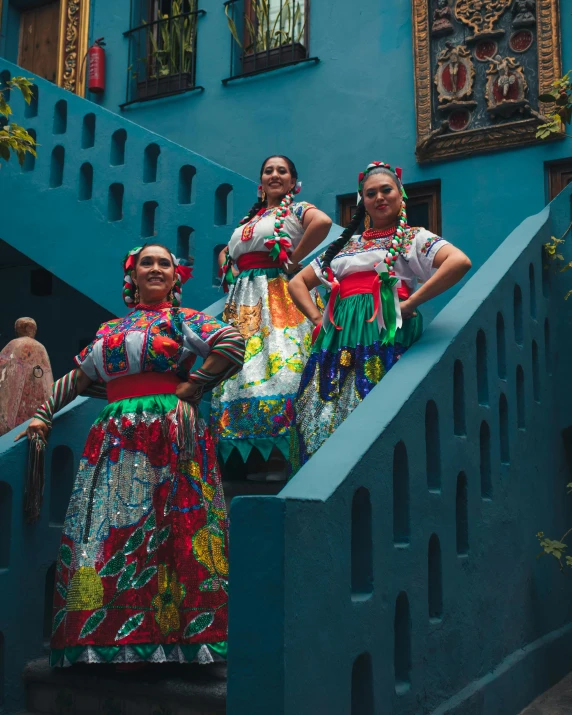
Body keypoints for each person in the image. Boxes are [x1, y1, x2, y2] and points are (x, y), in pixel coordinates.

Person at [16, 243, 245, 667]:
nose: (156, 269)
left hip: (170, 433)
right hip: (115, 438)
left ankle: (180, 644)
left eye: (165, 264)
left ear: (176, 279)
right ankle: (109, 641)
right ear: (132, 276)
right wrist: (44, 414)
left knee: (174, 531)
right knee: (106, 530)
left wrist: (192, 386)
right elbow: (83, 377)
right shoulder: (110, 330)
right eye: (147, 263)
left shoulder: (184, 320)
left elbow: (231, 342)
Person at [288, 161, 471, 470]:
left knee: (373, 398)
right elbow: (297, 282)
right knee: (323, 404)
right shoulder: (346, 245)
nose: (379, 197)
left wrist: (410, 303)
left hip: (382, 330)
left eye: (386, 190)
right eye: (370, 193)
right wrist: (319, 321)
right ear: (363, 202)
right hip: (339, 334)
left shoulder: (414, 237)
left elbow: (459, 261)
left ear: (401, 195)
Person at [211, 155, 331, 480]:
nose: (275, 175)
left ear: (293, 182)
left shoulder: (295, 209)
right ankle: (250, 461)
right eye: (268, 171)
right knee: (240, 372)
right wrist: (230, 265)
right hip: (243, 302)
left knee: (282, 367)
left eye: (282, 171)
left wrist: (293, 259)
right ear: (260, 182)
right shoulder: (251, 218)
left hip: (277, 295)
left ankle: (285, 456)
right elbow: (228, 250)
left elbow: (322, 223)